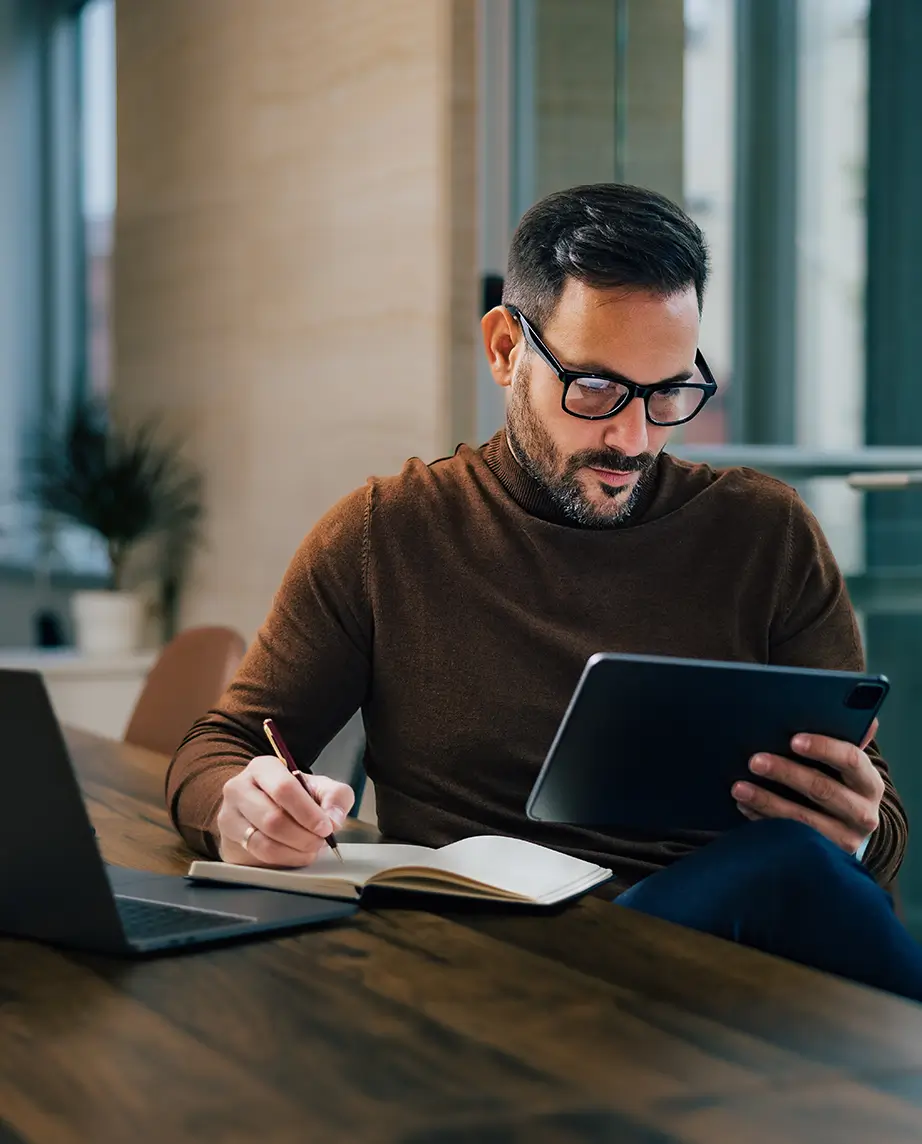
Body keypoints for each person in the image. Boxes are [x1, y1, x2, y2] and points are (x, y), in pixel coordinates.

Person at [167, 183, 922, 999]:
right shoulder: (386, 534)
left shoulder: (765, 535)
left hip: (711, 964)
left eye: (668, 392)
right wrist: (244, 810)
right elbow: (216, 748)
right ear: (504, 349)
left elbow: (871, 825)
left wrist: (854, 829)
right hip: (479, 970)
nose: (632, 439)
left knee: (792, 864)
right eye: (595, 388)